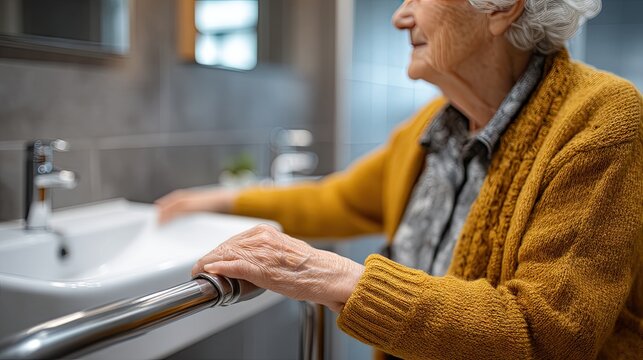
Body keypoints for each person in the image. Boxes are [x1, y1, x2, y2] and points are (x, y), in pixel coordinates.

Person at [156, 0, 642, 358]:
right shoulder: (431, 127)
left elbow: (547, 334)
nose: (399, 16)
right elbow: (336, 200)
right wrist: (216, 200)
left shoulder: (603, 122)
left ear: (501, 8)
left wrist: (339, 278)